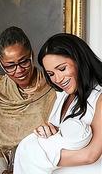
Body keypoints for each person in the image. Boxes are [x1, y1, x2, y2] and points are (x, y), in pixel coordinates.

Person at [14, 33, 102, 173]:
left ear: (79, 60)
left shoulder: (99, 98)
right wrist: (46, 132)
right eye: (51, 74)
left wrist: (33, 154)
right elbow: (60, 140)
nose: (58, 79)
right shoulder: (62, 97)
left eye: (62, 69)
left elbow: (91, 155)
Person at [0, 26, 56, 173]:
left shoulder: (53, 87)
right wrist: (3, 170)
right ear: (1, 64)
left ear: (32, 55)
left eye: (24, 62)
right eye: (10, 66)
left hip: (49, 166)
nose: (19, 71)